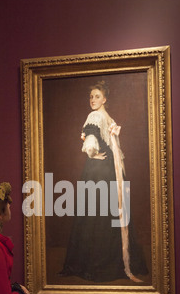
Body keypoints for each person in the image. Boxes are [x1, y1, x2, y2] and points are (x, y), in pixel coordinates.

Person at [60, 81, 148, 282]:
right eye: (91, 97)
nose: (93, 100)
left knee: (96, 212)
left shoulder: (97, 116)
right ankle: (112, 260)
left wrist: (92, 153)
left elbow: (91, 142)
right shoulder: (107, 118)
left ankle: (94, 262)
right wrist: (93, 152)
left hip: (99, 170)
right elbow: (110, 147)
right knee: (107, 212)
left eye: (97, 96)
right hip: (109, 170)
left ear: (105, 99)